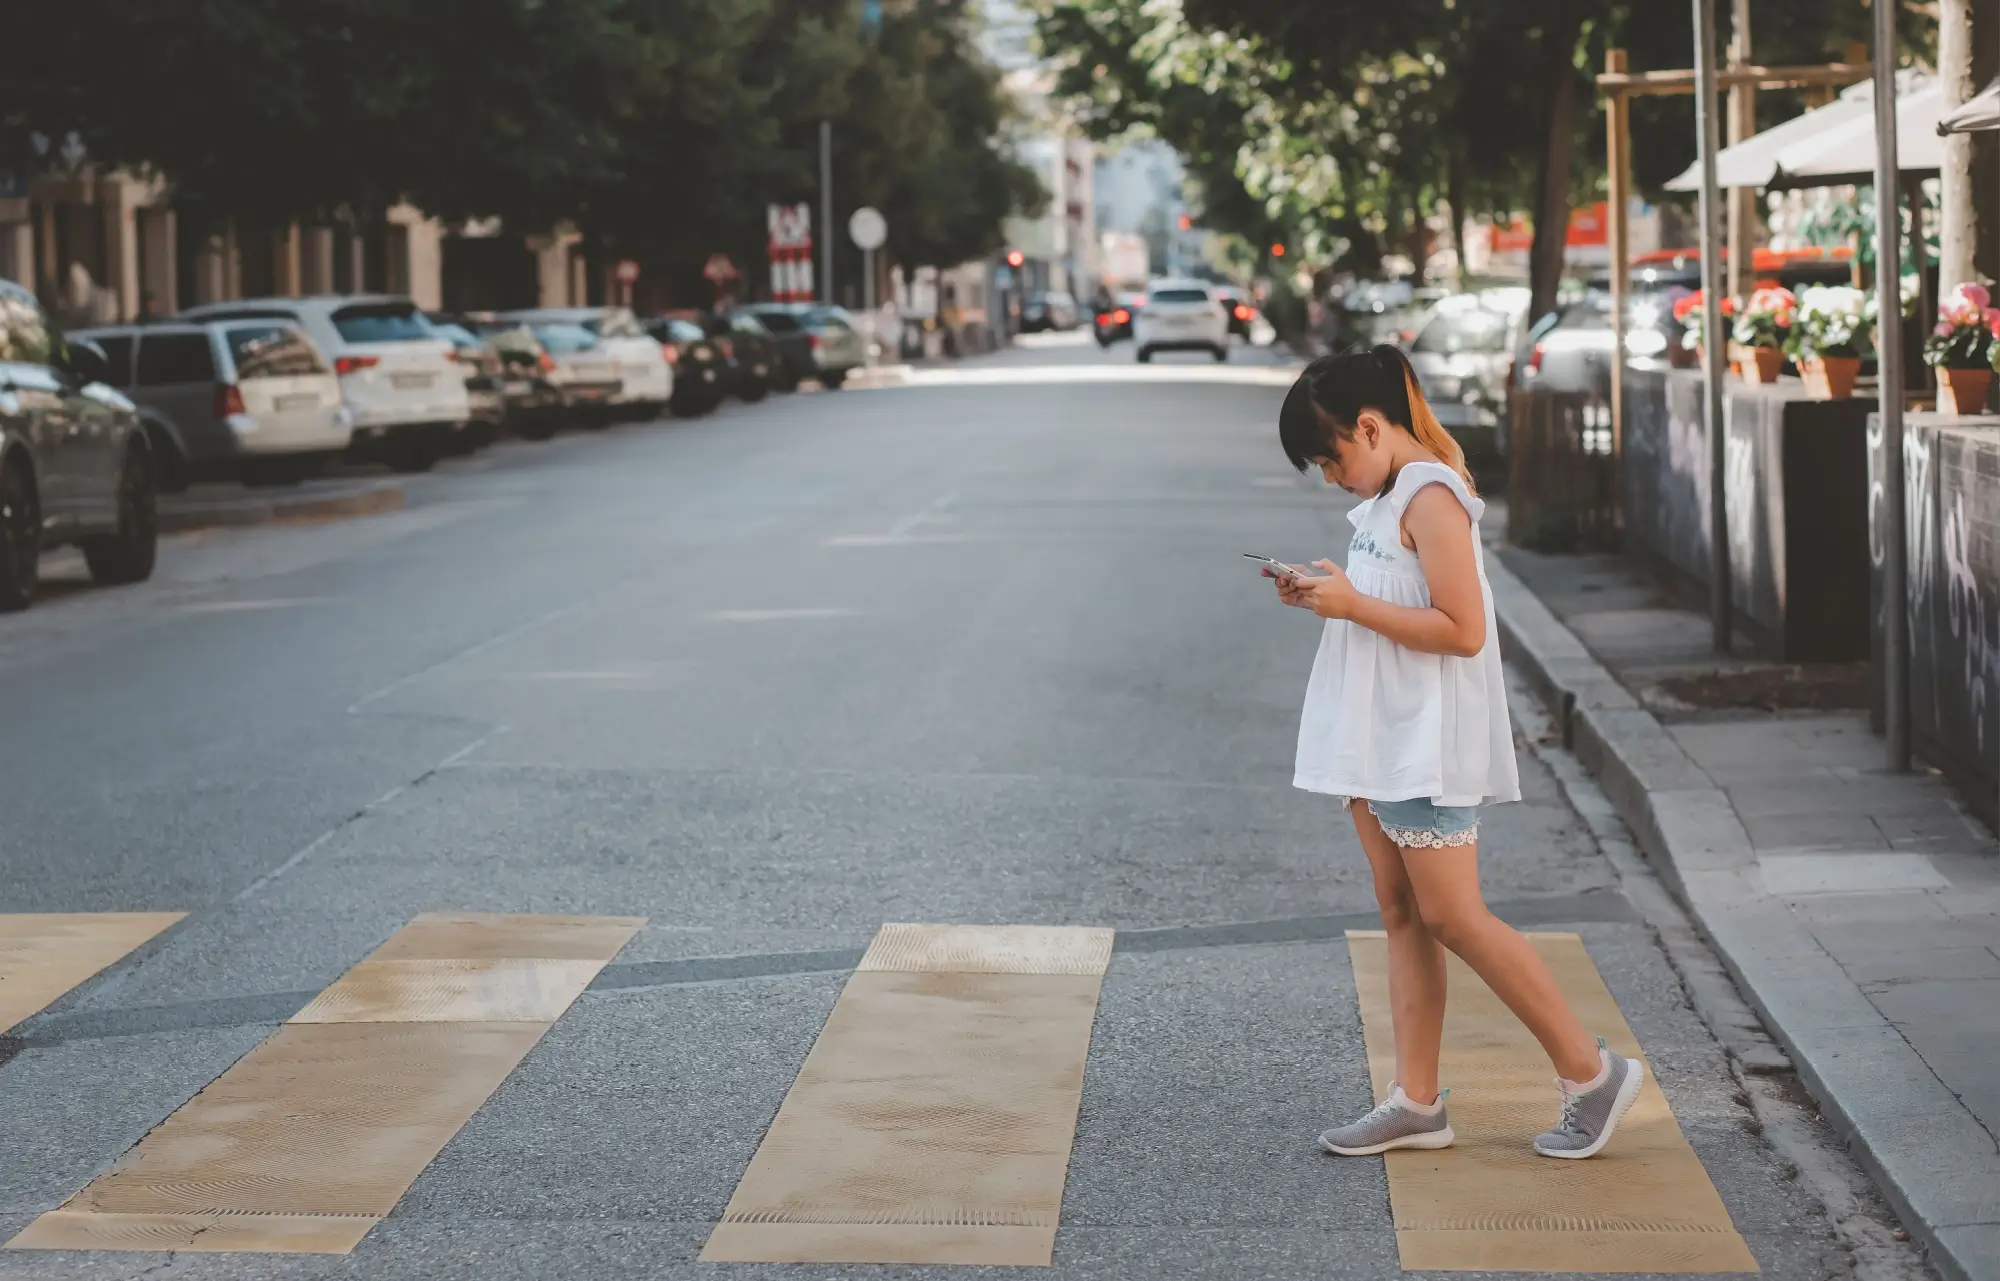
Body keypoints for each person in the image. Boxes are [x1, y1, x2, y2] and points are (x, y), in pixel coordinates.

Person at [1271, 345, 1644, 1161]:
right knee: (1402, 913)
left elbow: (1463, 629)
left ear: (1370, 427)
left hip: (1421, 740)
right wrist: (1329, 591)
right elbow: (1391, 594)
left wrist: (1353, 603)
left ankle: (1592, 1073)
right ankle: (1416, 1100)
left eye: (1331, 457)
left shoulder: (1431, 495)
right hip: (1380, 734)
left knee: (1453, 915)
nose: (1331, 475)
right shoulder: (1387, 494)